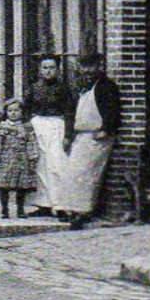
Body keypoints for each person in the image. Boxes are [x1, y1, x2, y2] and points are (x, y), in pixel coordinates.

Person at [58, 54, 122, 228]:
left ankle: (84, 211)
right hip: (80, 136)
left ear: (99, 67)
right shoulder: (80, 87)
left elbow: (114, 111)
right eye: (84, 67)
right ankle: (71, 208)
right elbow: (71, 114)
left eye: (91, 67)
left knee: (88, 174)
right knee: (72, 171)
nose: (87, 71)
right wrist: (68, 136)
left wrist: (106, 130)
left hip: (97, 137)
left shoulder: (106, 87)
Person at [25, 55, 74, 217]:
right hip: (38, 126)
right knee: (40, 166)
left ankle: (60, 205)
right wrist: (27, 125)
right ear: (40, 70)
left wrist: (67, 135)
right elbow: (25, 108)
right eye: (45, 67)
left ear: (57, 70)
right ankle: (43, 204)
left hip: (56, 126)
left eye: (52, 68)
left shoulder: (64, 89)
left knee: (57, 165)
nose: (48, 71)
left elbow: (69, 113)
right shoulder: (34, 88)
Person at [0, 97, 39, 219]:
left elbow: (31, 143)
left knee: (21, 186)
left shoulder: (26, 128)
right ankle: (4, 209)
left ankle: (20, 209)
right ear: (6, 113)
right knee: (4, 186)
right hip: (5, 158)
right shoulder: (2, 127)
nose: (14, 113)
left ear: (21, 112)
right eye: (10, 111)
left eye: (17, 110)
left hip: (21, 159)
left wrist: (32, 157)